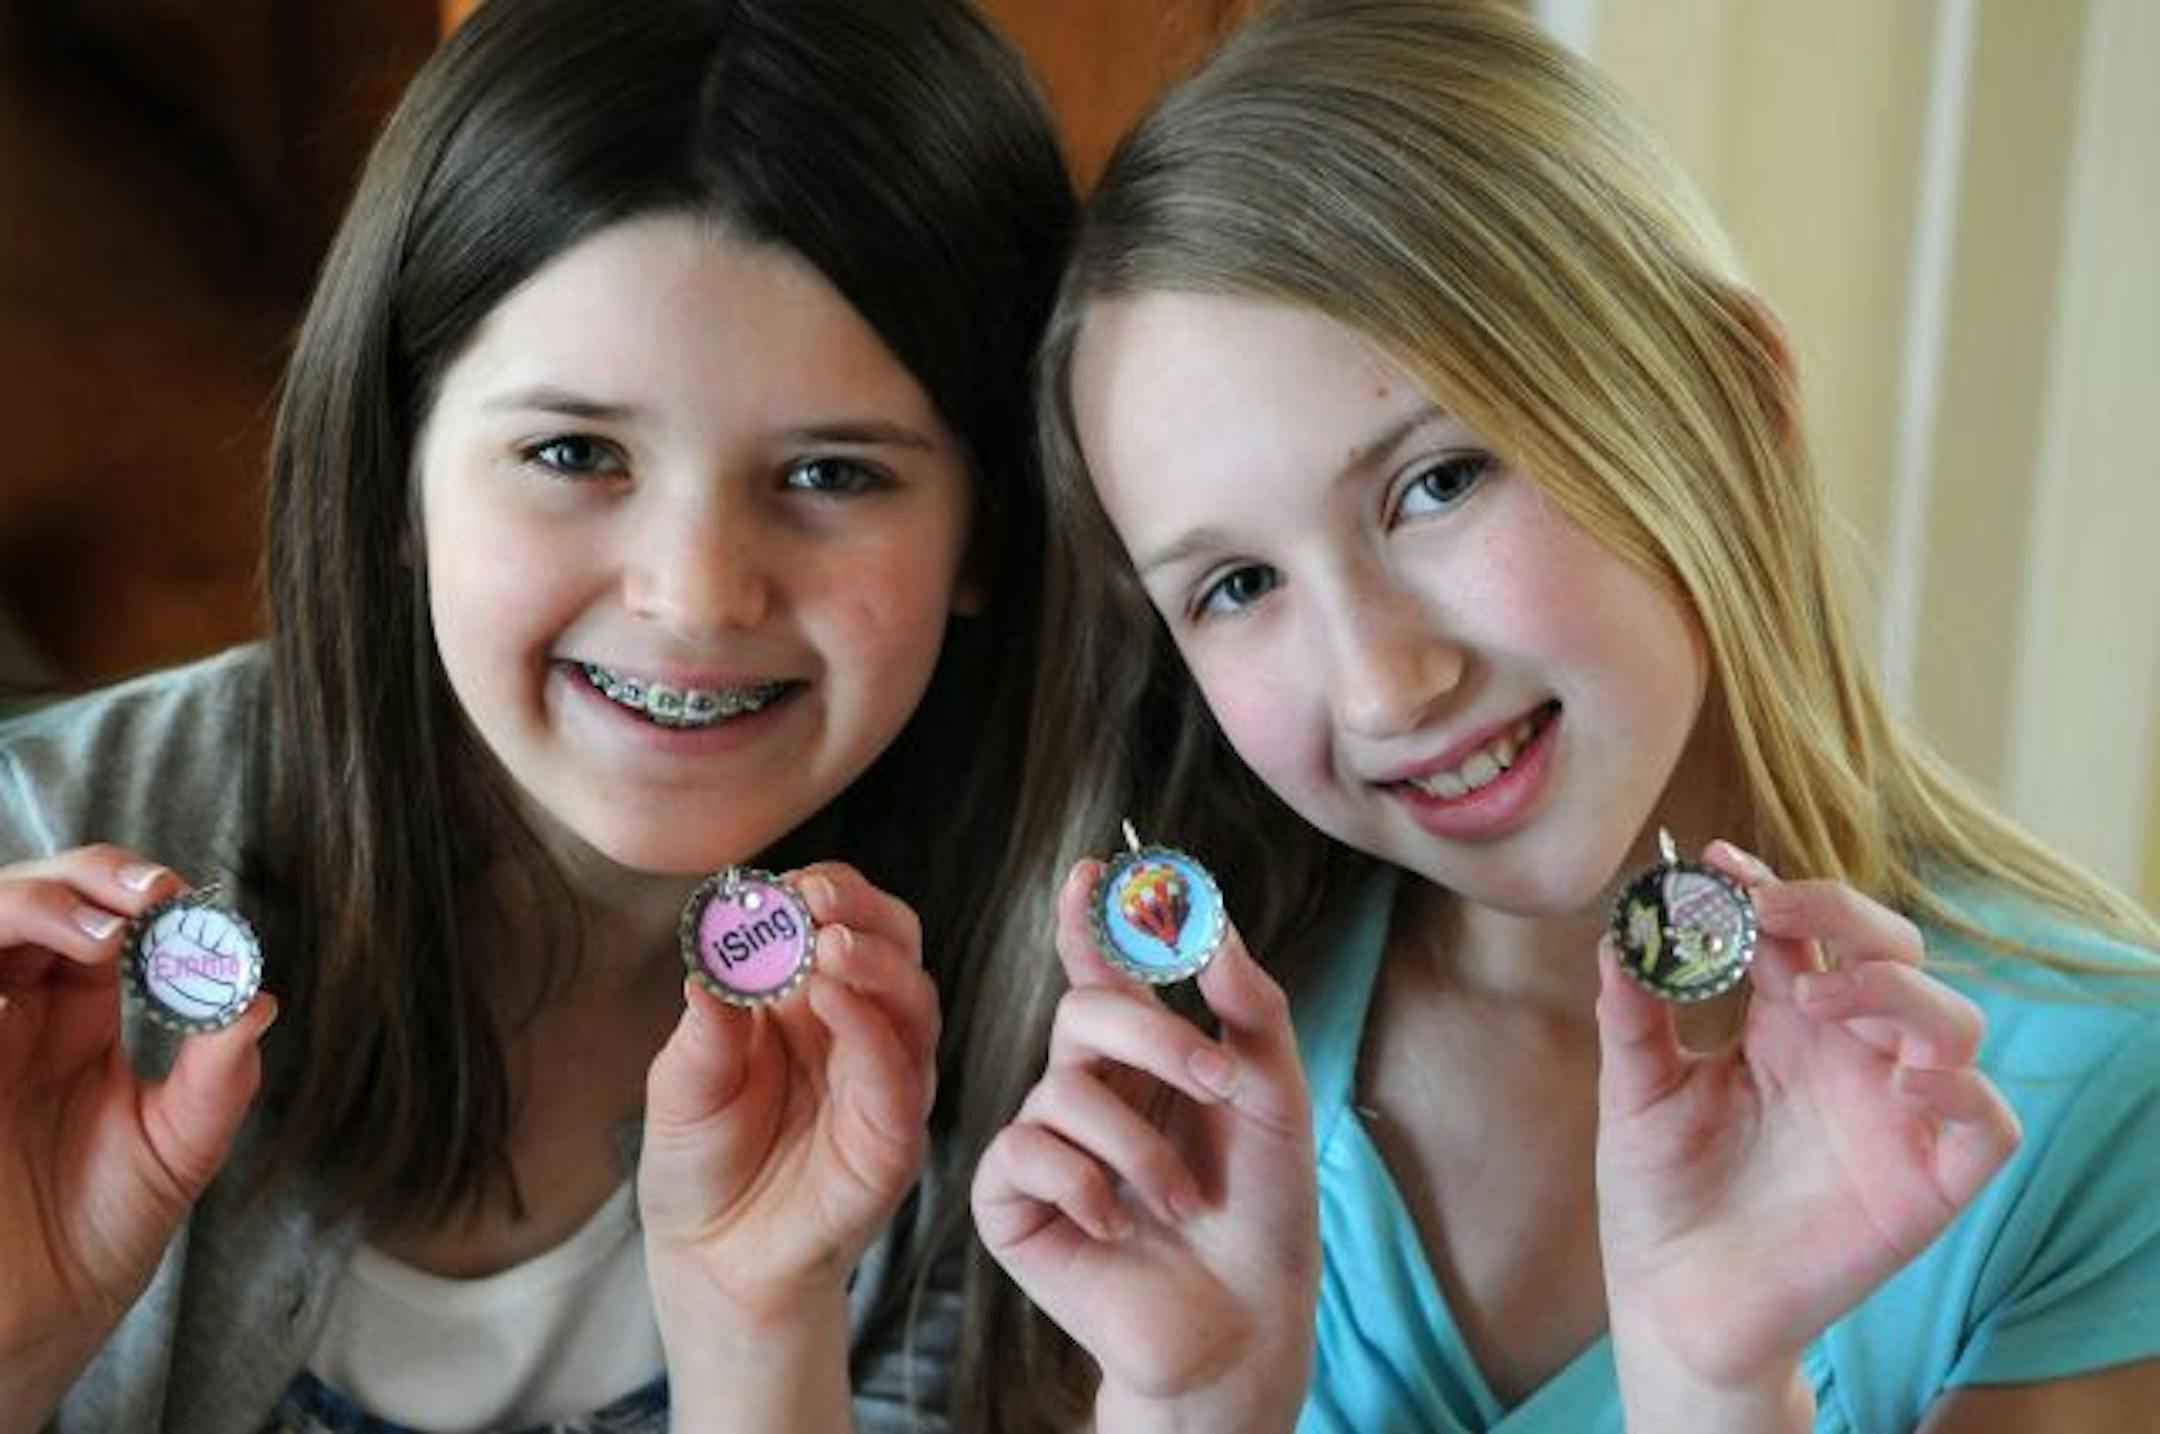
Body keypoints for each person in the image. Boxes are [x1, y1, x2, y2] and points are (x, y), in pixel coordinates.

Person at [960, 1, 2160, 1430]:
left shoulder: (2098, 1104)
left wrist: (1716, 1387)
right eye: (1238, 584)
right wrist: (1192, 1410)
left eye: (1437, 483)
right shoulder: (1165, 1110)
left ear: (1728, 399)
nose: (1382, 685)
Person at [0, 0, 1071, 1429]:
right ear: (393, 469)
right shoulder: (36, 891)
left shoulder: (1032, 1032)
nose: (695, 596)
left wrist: (762, 1335)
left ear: (990, 526)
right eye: (574, 452)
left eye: (831, 474)